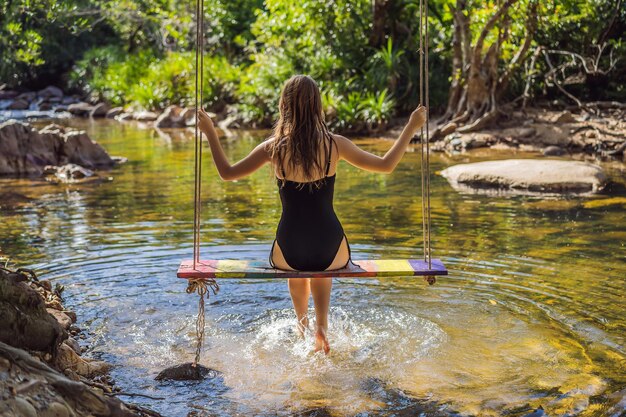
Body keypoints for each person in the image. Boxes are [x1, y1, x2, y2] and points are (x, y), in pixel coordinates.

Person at [198, 74, 427, 355]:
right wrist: (411, 126)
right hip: (329, 247)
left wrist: (210, 130)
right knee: (322, 264)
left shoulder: (273, 148)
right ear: (318, 106)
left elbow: (227, 173)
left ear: (284, 106)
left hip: (288, 248)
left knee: (296, 268)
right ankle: (322, 327)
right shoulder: (335, 145)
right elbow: (386, 164)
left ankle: (302, 326)